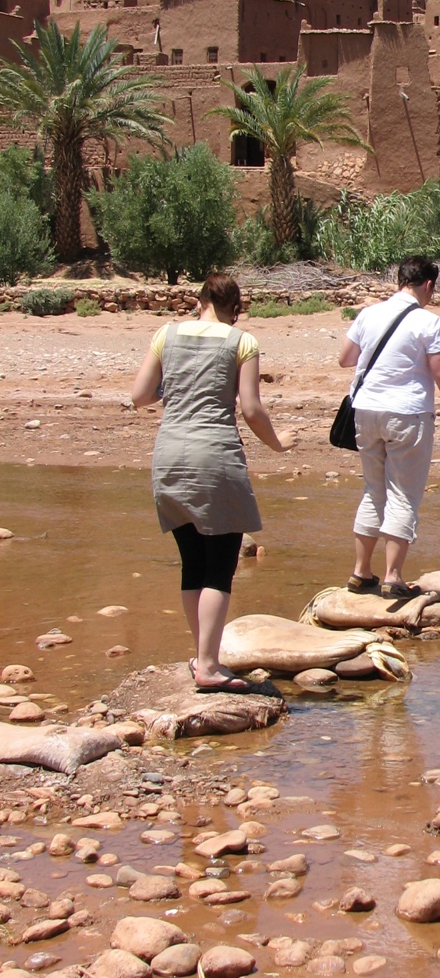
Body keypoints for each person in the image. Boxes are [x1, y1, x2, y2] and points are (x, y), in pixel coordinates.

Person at [131, 273, 296, 692]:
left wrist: (179, 388)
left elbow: (140, 396)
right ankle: (208, 665)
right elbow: (252, 410)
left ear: (199, 300)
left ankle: (203, 656)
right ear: (235, 308)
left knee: (193, 563)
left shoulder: (165, 334)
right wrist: (279, 445)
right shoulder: (241, 342)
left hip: (169, 457)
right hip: (215, 458)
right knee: (220, 568)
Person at [338, 256, 440, 599]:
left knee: (373, 489)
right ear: (427, 284)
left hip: (365, 410)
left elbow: (346, 358)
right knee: (403, 494)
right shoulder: (427, 321)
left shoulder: (369, 313)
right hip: (407, 413)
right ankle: (393, 577)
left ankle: (360, 572)